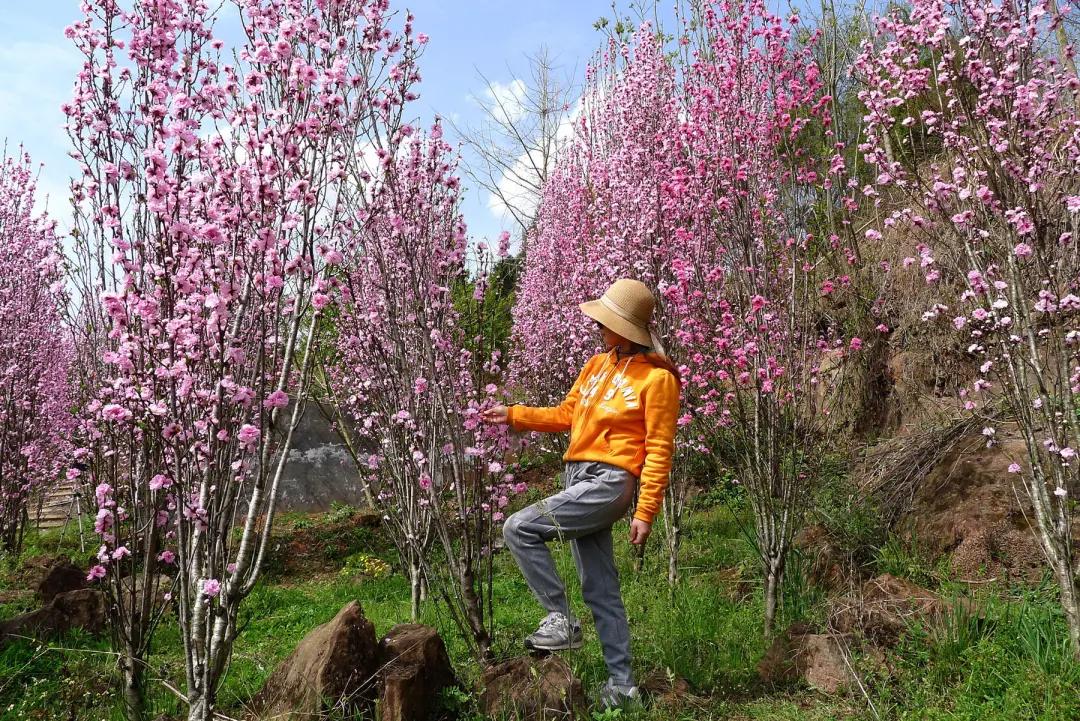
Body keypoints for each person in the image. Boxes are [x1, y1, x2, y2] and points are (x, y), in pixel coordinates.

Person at [482, 278, 680, 709]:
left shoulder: (658, 380)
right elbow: (567, 414)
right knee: (600, 587)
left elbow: (659, 448)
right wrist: (513, 414)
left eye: (605, 321)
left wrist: (646, 511)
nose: (597, 326)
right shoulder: (596, 365)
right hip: (578, 477)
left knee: (519, 528)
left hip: (610, 481)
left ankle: (562, 619)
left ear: (626, 329)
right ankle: (623, 687)